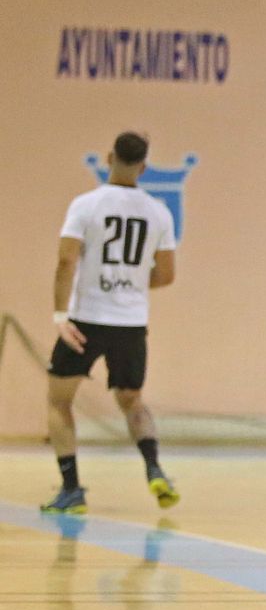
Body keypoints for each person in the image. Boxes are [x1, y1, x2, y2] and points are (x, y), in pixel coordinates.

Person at [43, 131, 180, 514]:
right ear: (144, 167)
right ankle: (155, 468)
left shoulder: (86, 205)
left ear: (109, 157)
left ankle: (71, 489)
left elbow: (66, 261)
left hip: (86, 320)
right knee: (132, 401)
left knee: (58, 400)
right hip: (131, 324)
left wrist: (60, 315)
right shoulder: (159, 212)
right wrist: (130, 282)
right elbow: (166, 275)